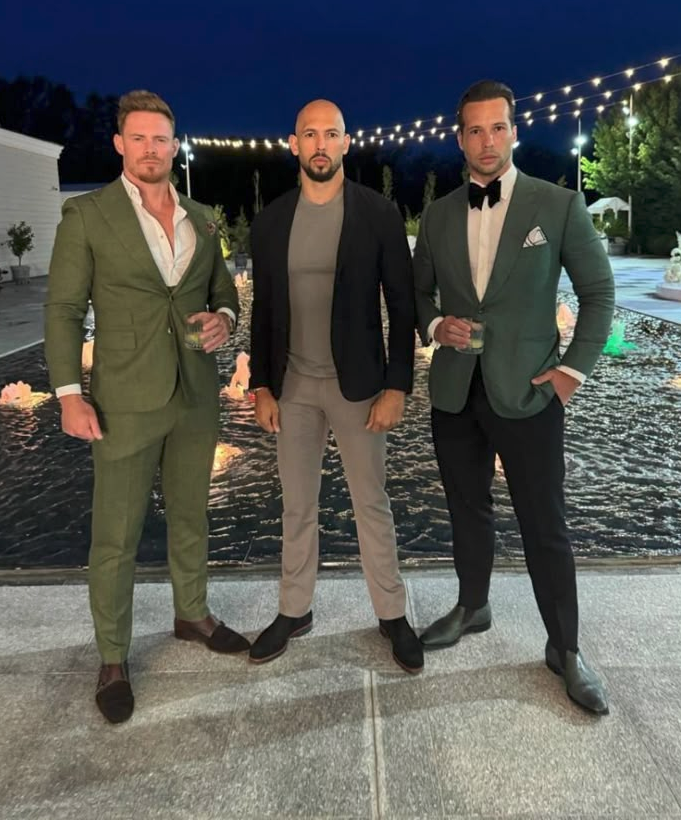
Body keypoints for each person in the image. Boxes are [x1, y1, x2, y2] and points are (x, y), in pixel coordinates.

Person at [45, 90, 248, 725]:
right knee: (116, 535)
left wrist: (224, 318)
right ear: (119, 144)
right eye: (139, 138)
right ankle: (112, 657)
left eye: (161, 139)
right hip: (124, 400)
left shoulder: (201, 217)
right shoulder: (87, 214)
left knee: (191, 514)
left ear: (174, 144)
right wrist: (69, 394)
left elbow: (223, 292)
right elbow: (63, 309)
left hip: (195, 395)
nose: (151, 149)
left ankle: (193, 614)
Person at [413, 80, 615, 714]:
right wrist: (433, 326)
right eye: (475, 130)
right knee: (466, 509)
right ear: (459, 138)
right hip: (455, 391)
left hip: (529, 393)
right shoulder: (439, 215)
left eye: (497, 127)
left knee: (544, 522)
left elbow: (599, 293)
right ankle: (472, 606)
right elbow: (418, 294)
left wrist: (571, 372)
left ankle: (565, 648)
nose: (487, 140)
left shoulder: (557, 205)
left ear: (514, 131)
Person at [248, 98, 423, 674]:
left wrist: (397, 386)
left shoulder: (377, 214)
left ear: (347, 142)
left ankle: (392, 613)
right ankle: (294, 610)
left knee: (371, 503)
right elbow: (263, 311)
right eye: (310, 134)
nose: (320, 144)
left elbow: (402, 305)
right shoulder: (272, 221)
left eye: (331, 134)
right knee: (297, 506)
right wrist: (261, 386)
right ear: (293, 144)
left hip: (361, 388)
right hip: (293, 388)